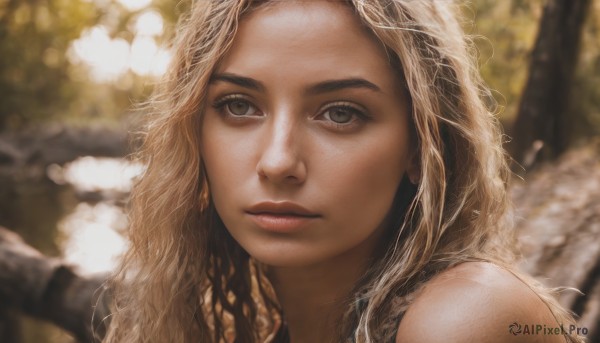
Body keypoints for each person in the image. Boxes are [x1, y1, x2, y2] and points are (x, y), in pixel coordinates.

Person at [101, 1, 585, 342]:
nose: (277, 162)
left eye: (340, 113)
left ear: (422, 146)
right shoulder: (262, 326)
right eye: (238, 105)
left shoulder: (462, 320)